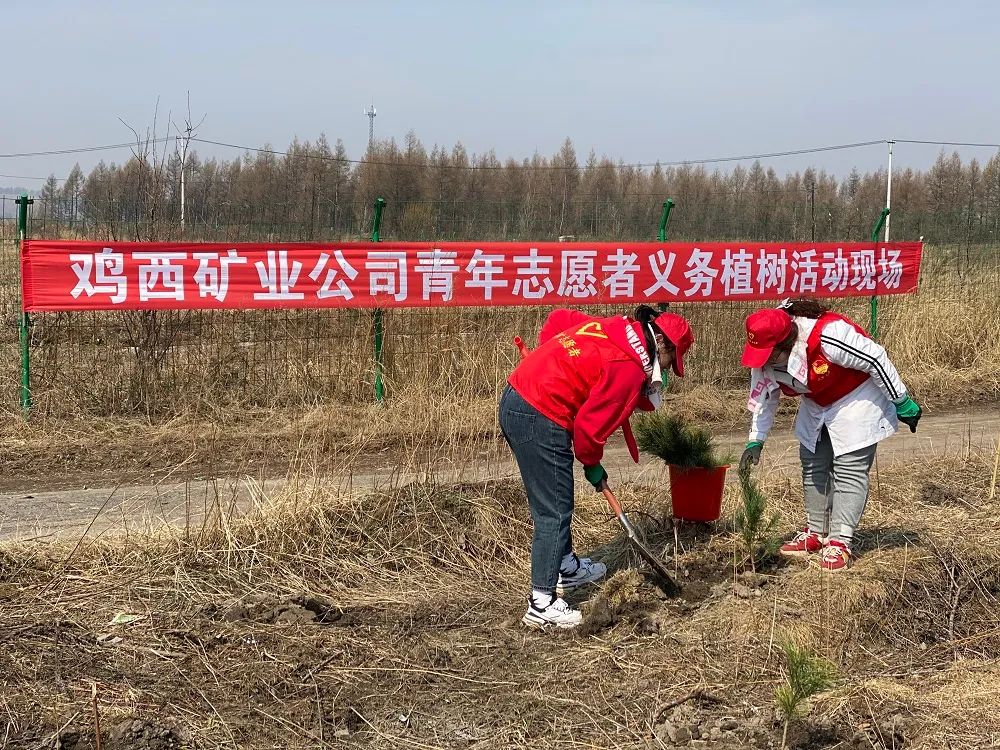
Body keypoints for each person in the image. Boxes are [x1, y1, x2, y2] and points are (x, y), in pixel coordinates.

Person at [500, 305, 694, 629]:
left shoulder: (619, 329)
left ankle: (565, 566)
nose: (668, 369)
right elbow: (588, 430)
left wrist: (554, 365)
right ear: (662, 343)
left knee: (558, 497)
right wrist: (592, 464)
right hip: (538, 413)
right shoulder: (629, 369)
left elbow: (560, 319)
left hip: (520, 397)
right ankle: (542, 602)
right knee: (554, 511)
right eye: (671, 360)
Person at [738, 298, 922, 572]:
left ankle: (840, 541)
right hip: (817, 401)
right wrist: (756, 439)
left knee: (849, 468)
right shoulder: (765, 352)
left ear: (786, 342)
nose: (764, 361)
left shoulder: (829, 335)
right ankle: (816, 531)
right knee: (812, 460)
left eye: (769, 355)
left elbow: (875, 358)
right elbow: (764, 396)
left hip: (855, 398)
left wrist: (901, 400)